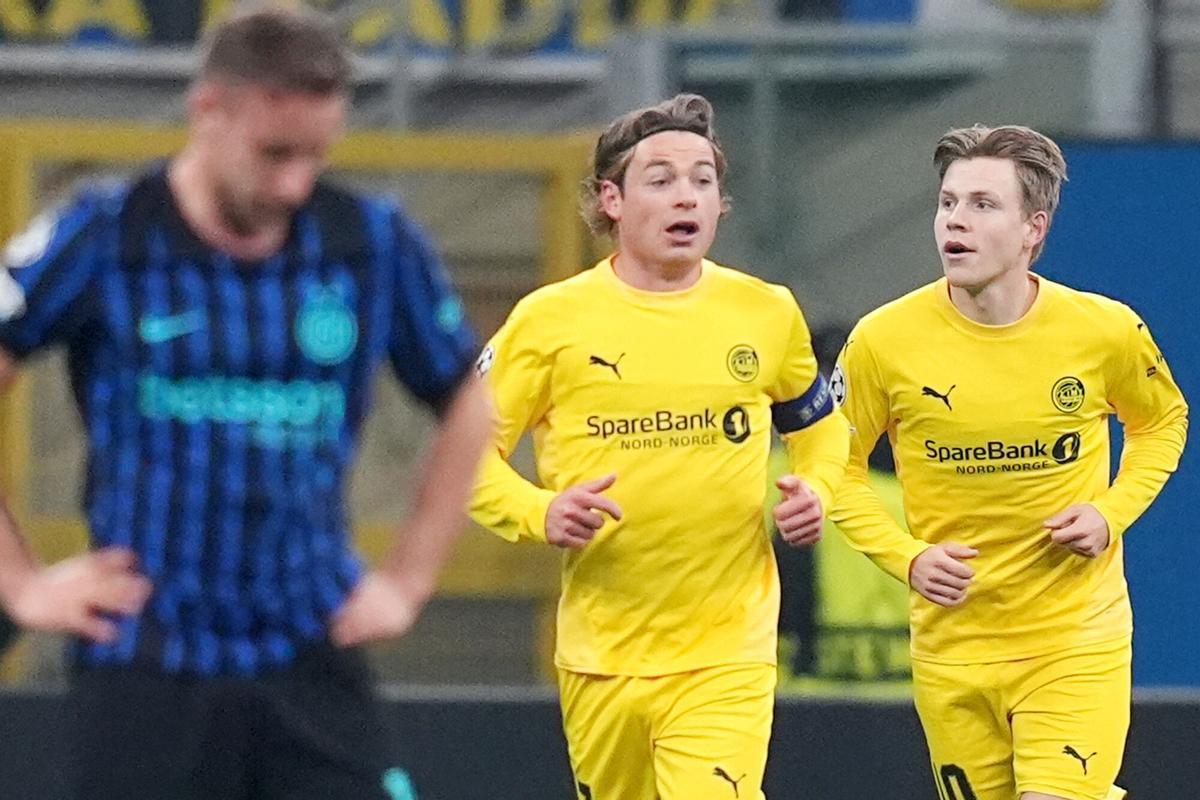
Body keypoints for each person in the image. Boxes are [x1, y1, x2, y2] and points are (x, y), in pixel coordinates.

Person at [0, 9, 490, 800]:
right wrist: (21, 582)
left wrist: (407, 580)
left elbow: (470, 393)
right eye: (273, 155)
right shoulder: (104, 232)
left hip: (309, 646)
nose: (295, 182)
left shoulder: (369, 241)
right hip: (147, 658)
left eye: (315, 156)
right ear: (208, 112)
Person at [469, 93, 850, 800]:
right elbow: (460, 458)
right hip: (602, 654)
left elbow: (818, 426)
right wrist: (539, 511)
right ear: (611, 199)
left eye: (703, 180)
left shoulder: (766, 312)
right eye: (662, 179)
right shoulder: (549, 321)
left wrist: (817, 490)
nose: (688, 197)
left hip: (727, 648)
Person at [830, 125, 1188, 800]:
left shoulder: (1103, 330)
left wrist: (1111, 514)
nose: (955, 222)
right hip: (953, 652)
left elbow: (1162, 421)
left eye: (982, 205)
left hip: (1073, 640)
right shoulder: (884, 341)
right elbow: (832, 464)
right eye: (947, 203)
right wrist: (905, 556)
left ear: (1033, 229)